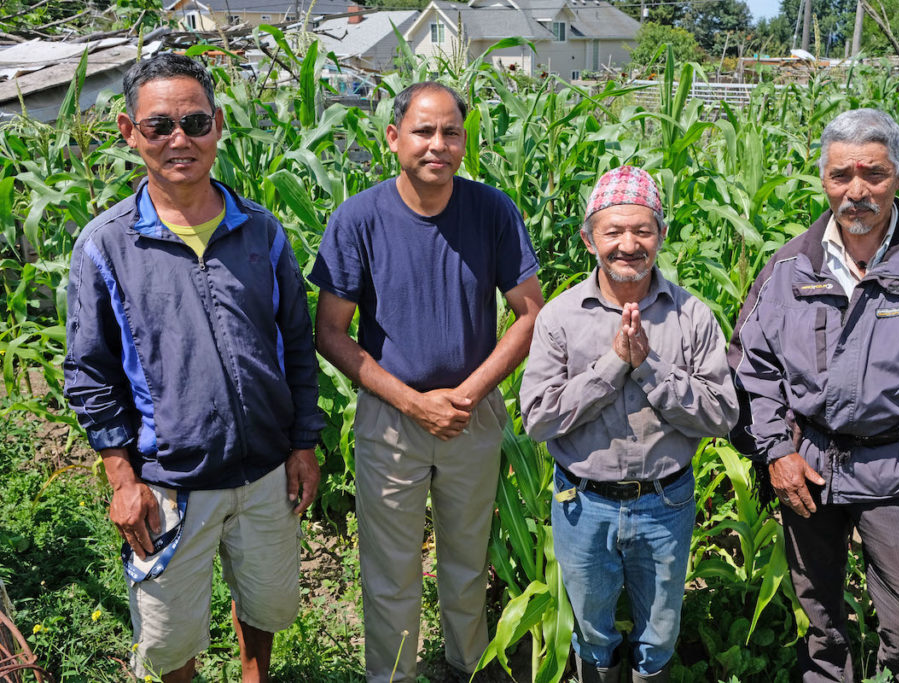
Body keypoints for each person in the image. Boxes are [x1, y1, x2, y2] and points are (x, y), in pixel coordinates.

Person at [63, 53, 324, 682]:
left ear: (219, 125)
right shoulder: (106, 245)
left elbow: (295, 342)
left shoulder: (262, 232)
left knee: (265, 598)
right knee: (170, 633)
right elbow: (90, 372)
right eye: (159, 126)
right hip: (169, 480)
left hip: (265, 468)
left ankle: (253, 674)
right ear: (130, 133)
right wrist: (123, 479)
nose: (179, 139)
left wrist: (303, 443)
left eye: (195, 122)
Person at [730, 108, 899, 682]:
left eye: (874, 174)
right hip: (808, 467)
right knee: (818, 615)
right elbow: (750, 372)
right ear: (824, 179)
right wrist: (776, 452)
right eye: (841, 175)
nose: (857, 191)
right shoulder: (788, 267)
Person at [310, 81, 544, 682]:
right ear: (394, 139)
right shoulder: (357, 219)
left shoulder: (492, 210)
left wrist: (467, 394)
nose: (437, 145)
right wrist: (413, 402)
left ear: (465, 143)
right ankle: (394, 676)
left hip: (471, 414)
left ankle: (469, 667)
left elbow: (530, 314)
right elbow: (331, 333)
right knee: (390, 571)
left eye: (451, 133)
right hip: (392, 418)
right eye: (423, 131)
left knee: (468, 563)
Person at [520, 166, 739, 682]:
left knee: (660, 631)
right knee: (593, 630)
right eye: (613, 231)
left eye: (642, 230)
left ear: (661, 234)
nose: (627, 244)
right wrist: (613, 365)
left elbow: (722, 414)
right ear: (588, 237)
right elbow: (537, 419)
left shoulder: (692, 316)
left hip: (665, 502)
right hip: (583, 505)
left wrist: (650, 367)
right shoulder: (560, 317)